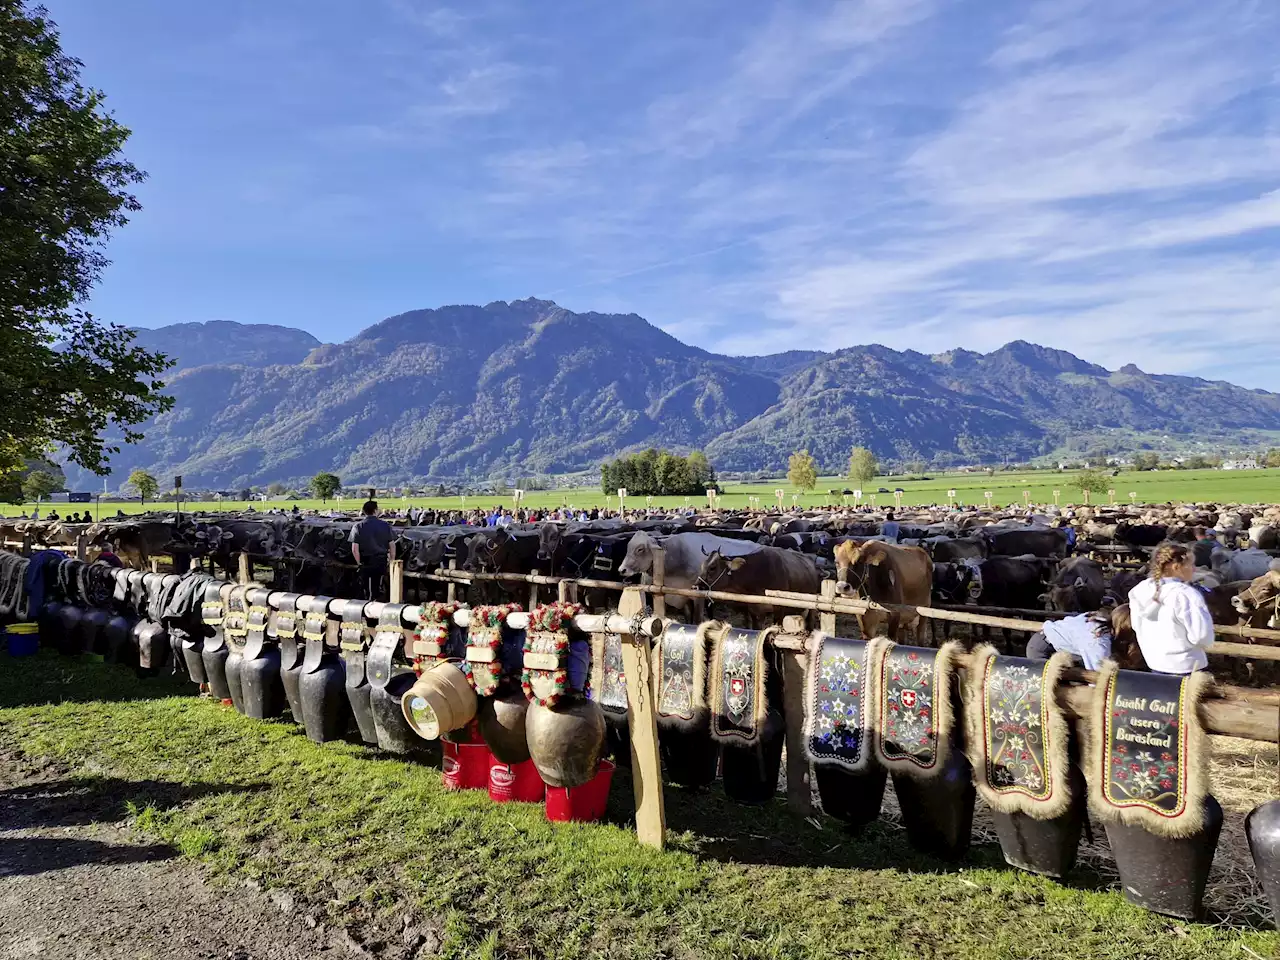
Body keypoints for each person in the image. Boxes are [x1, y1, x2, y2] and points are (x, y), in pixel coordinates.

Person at [1127, 542, 1215, 675]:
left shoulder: (1140, 590)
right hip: (1187, 665)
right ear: (1176, 567)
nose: (1194, 569)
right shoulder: (1186, 594)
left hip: (1155, 662)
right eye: (1191, 564)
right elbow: (1201, 636)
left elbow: (1136, 625)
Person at [1026, 609, 1113, 670]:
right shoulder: (1097, 638)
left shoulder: (1096, 618)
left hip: (1046, 642)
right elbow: (1098, 673)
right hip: (1044, 649)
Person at [349, 500, 393, 601]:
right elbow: (392, 545)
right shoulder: (385, 525)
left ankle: (367, 607)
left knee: (366, 587)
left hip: (365, 562)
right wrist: (391, 561)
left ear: (364, 511)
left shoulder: (358, 526)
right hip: (381, 561)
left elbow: (354, 549)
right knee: (378, 585)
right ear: (375, 511)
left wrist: (359, 563)